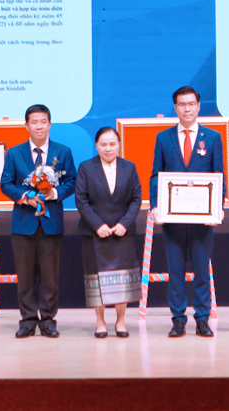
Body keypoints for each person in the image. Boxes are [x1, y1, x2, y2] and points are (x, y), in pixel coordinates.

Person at [149, 85, 225, 338]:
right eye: (182, 104)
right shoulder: (163, 137)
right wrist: (156, 206)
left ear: (198, 106)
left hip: (202, 220)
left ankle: (202, 319)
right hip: (172, 219)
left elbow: (218, 176)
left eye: (191, 103)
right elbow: (155, 176)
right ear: (175, 108)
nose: (187, 108)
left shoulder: (213, 137)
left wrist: (218, 209)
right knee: (176, 272)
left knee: (203, 271)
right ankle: (178, 320)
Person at [0, 104, 76, 338]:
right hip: (23, 222)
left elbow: (71, 181)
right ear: (26, 125)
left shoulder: (62, 152)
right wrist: (25, 197)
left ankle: (48, 321)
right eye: (34, 122)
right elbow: (6, 184)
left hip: (51, 223)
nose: (39, 126)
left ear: (50, 124)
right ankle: (28, 320)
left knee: (50, 277)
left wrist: (54, 193)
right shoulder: (14, 153)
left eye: (43, 121)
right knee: (25, 277)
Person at [75, 127, 142, 338]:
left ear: (119, 144)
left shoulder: (129, 167)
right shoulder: (86, 167)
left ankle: (121, 321)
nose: (108, 148)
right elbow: (81, 200)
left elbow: (136, 199)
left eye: (112, 144)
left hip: (123, 233)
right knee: (97, 280)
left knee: (123, 281)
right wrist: (98, 225)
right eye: (103, 144)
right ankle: (100, 322)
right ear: (96, 146)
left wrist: (124, 223)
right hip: (96, 234)